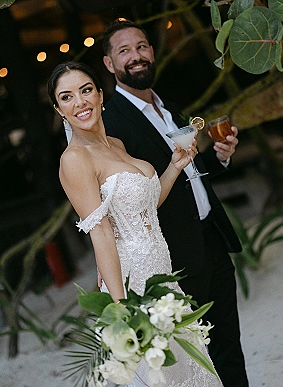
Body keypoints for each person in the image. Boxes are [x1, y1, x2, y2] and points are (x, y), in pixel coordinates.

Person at [49, 61, 223, 386]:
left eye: (86, 90)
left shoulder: (115, 144)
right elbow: (101, 235)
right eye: (67, 96)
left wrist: (174, 166)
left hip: (163, 275)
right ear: (58, 108)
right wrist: (121, 311)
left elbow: (145, 208)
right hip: (132, 284)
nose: (80, 102)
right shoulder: (74, 160)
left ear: (101, 94)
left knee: (190, 371)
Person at [101, 19, 249, 387]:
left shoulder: (169, 108)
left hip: (212, 239)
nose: (136, 56)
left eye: (141, 47)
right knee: (196, 357)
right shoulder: (112, 123)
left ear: (152, 52)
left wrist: (220, 155)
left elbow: (188, 171)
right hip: (175, 255)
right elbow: (130, 194)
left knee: (229, 344)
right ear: (109, 64)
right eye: (124, 51)